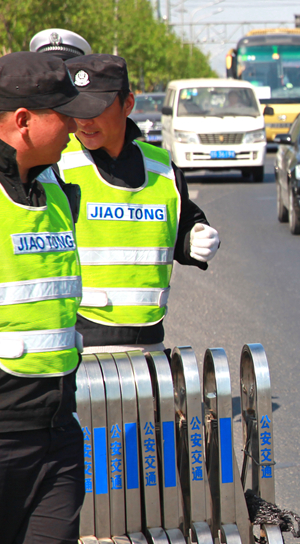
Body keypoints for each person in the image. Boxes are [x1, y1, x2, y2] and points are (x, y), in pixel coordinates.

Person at [0, 51, 118, 544]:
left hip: (49, 439)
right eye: (62, 119)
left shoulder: (49, 195)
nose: (77, 129)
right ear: (21, 121)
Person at [57, 55, 218, 353]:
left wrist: (196, 238)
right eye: (77, 109)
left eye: (96, 108)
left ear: (128, 104)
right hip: (80, 341)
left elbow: (183, 228)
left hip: (150, 341)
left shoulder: (162, 168)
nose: (84, 120)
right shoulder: (58, 165)